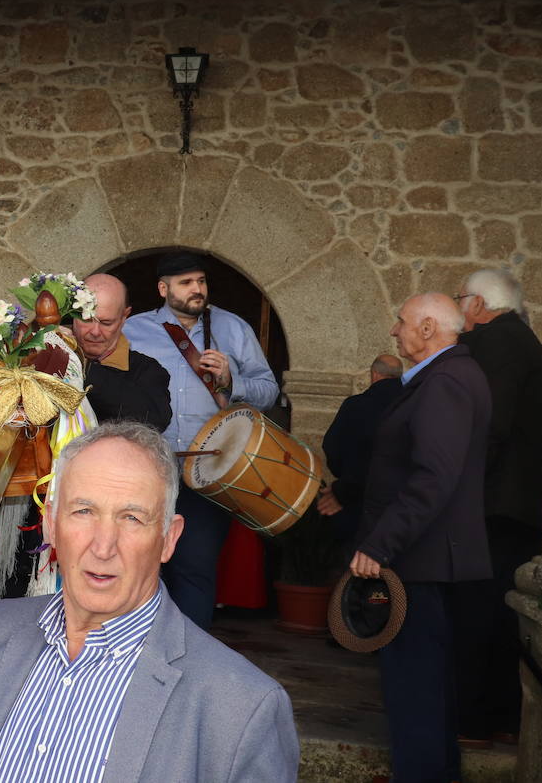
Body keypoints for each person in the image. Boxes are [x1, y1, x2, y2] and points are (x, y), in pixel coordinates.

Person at [0, 420, 298, 781]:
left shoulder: (241, 705)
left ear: (168, 538)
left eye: (132, 518)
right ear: (52, 524)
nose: (103, 545)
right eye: (83, 511)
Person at [351, 293, 491, 782]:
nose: (395, 330)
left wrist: (378, 545)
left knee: (415, 689)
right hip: (427, 557)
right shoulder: (448, 376)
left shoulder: (446, 381)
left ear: (428, 328)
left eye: (402, 321)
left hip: (421, 559)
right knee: (428, 688)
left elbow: (433, 477)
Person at [123, 252, 278, 629]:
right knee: (139, 565)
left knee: (196, 568)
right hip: (148, 470)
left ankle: (190, 656)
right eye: (186, 283)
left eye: (201, 281)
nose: (197, 290)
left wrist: (231, 379)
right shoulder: (132, 330)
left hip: (207, 473)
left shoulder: (234, 328)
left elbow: (269, 391)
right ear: (163, 289)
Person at [452, 269, 542, 746]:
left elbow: (488, 426)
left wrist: (457, 486)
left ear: (478, 305)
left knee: (479, 614)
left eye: (461, 299)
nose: (459, 310)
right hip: (523, 506)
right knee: (503, 615)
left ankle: (475, 719)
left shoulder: (495, 343)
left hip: (493, 505)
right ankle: (503, 718)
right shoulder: (533, 346)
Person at [316, 353, 404, 543]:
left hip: (355, 505)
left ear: (374, 374)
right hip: (398, 508)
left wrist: (343, 479)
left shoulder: (355, 405)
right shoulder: (412, 404)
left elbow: (332, 448)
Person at [73, 273, 172, 431]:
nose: (95, 331)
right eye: (86, 319)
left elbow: (154, 420)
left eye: (106, 323)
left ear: (124, 317)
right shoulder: (50, 349)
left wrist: (77, 367)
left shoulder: (147, 369)